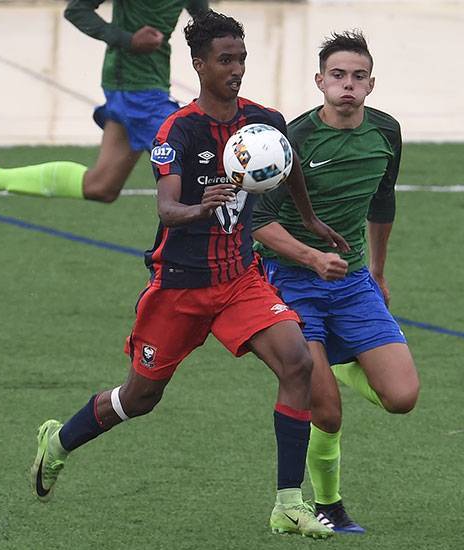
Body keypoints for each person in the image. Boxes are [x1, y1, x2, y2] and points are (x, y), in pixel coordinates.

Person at [28, 11, 350, 539]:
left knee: (297, 363)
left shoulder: (264, 120)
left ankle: (288, 504)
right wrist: (202, 207)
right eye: (225, 60)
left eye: (241, 58)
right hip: (178, 286)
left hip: (241, 280)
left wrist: (311, 221)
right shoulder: (177, 130)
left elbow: (286, 166)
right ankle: (58, 441)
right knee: (140, 399)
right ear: (198, 65)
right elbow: (167, 209)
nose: (236, 69)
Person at [252, 31, 421, 534]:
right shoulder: (296, 140)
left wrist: (379, 270)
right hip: (291, 279)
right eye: (339, 75)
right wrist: (311, 255)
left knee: (402, 398)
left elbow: (383, 202)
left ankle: (342, 362)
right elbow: (259, 222)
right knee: (325, 410)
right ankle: (329, 504)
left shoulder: (386, 132)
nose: (348, 85)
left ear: (371, 84)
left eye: (359, 76)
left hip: (351, 283)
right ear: (320, 81)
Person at [0, 0, 209, 228]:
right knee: (197, 165)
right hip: (133, 90)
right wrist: (128, 40)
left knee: (102, 186)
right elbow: (77, 10)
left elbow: (206, 24)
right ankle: (225, 259)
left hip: (151, 87)